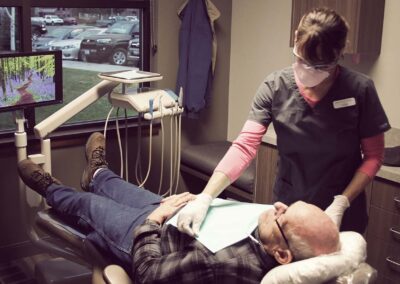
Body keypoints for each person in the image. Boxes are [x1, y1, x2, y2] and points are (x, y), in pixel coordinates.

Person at [177, 7, 390, 236]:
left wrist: (341, 203)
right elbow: (244, 146)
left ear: (340, 53)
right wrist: (206, 196)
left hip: (341, 213)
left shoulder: (360, 89)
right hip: (289, 207)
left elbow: (374, 156)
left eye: (322, 66)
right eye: (304, 60)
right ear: (296, 37)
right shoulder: (275, 86)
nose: (310, 71)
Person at [18, 132, 340, 284]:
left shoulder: (230, 264)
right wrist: (199, 201)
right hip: (179, 218)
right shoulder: (269, 237)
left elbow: (148, 272)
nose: (278, 206)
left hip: (147, 236)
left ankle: (52, 189)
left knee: (88, 204)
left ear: (282, 254)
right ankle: (98, 172)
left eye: (283, 215)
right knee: (118, 186)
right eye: (287, 205)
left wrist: (155, 220)